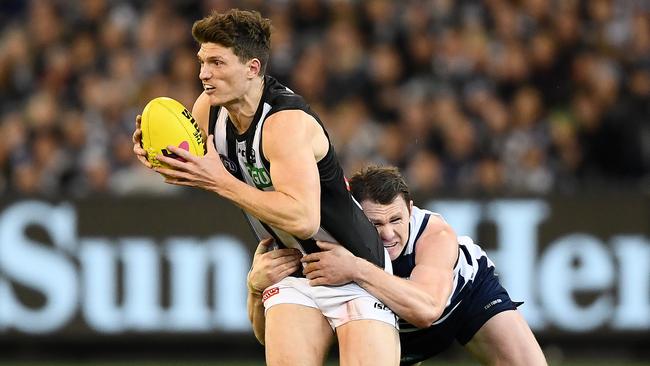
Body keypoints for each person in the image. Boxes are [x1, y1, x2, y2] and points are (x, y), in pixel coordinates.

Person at [131, 9, 399, 366]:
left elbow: (303, 219)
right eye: (202, 62)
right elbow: (197, 171)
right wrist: (159, 155)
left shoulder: (285, 123)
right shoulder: (208, 109)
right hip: (293, 268)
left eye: (217, 63)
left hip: (354, 265)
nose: (203, 74)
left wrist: (222, 182)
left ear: (252, 68)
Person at [248, 166, 548, 366]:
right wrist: (255, 289)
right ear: (354, 220)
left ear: (411, 210)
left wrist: (355, 268)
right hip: (389, 326)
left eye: (396, 220)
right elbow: (265, 337)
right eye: (375, 224)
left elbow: (427, 310)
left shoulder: (434, 234)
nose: (389, 234)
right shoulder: (328, 241)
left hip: (463, 301)